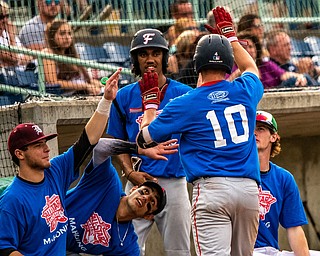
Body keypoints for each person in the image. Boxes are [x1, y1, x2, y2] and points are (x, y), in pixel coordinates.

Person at [136, 6, 264, 256]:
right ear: (228, 64)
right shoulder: (244, 91)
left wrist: (151, 104)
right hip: (249, 191)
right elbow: (250, 67)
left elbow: (144, 137)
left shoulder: (185, 102)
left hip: (212, 190)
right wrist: (230, 37)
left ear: (196, 65)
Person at [0, 68, 121, 255]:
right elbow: (5, 249)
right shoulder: (12, 200)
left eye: (45, 143)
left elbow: (87, 141)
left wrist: (106, 100)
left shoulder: (55, 171)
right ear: (20, 154)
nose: (47, 148)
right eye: (38, 145)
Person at [107, 28, 192, 256]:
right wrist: (128, 171)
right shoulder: (124, 96)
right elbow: (116, 140)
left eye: (156, 52)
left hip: (174, 182)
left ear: (165, 57)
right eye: (143, 54)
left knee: (179, 251)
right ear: (135, 59)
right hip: (137, 183)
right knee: (126, 248)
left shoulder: (184, 94)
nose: (150, 58)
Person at [66, 137, 178, 255]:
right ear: (134, 189)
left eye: (151, 203)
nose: (145, 198)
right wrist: (137, 149)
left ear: (148, 216)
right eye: (145, 191)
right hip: (47, 221)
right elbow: (100, 146)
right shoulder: (109, 183)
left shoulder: (127, 242)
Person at [254, 110, 320, 256]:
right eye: (251, 128)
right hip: (243, 250)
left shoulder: (284, 178)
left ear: (273, 137)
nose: (254, 133)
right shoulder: (235, 173)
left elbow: (294, 229)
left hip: (271, 251)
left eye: (260, 128)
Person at [42, 19, 102, 95]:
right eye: (62, 33)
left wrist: (100, 85)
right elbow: (53, 83)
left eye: (69, 33)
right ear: (52, 36)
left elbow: (86, 79)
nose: (67, 37)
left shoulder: (72, 54)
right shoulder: (47, 53)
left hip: (81, 93)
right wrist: (85, 86)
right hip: (63, 97)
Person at [227, 33, 309, 88]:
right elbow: (225, 86)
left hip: (276, 94)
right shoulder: (232, 68)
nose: (248, 50)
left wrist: (299, 76)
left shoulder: (266, 64)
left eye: (251, 47)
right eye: (244, 48)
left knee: (303, 78)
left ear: (256, 49)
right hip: (251, 100)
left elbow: (284, 75)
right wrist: (237, 73)